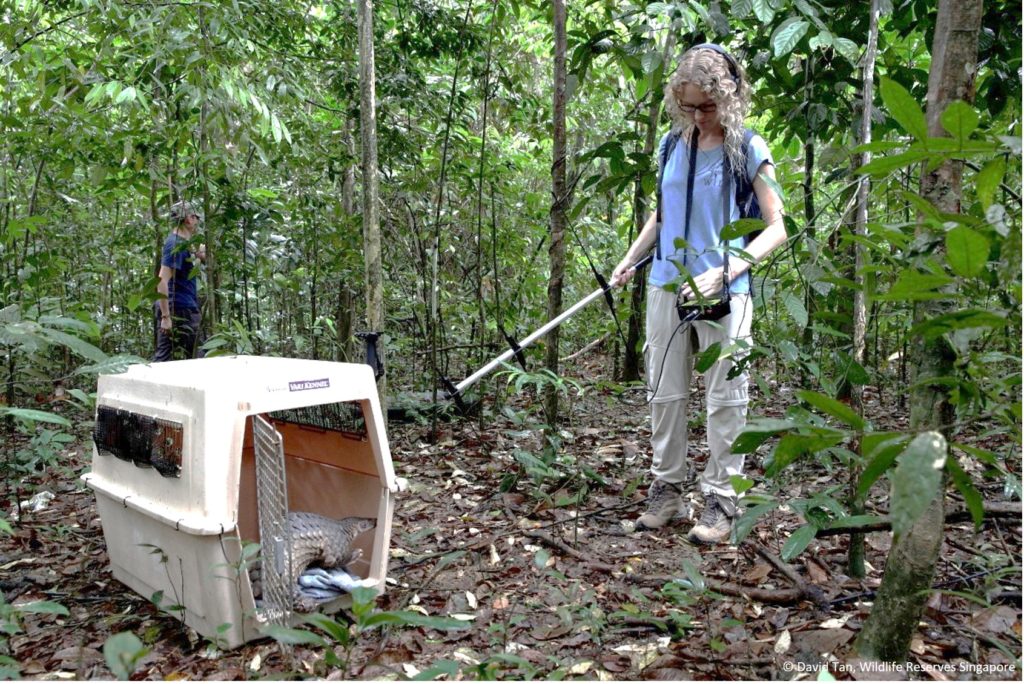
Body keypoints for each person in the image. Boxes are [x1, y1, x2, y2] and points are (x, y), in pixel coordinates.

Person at [611, 44, 788, 544]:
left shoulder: (748, 148)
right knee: (664, 392)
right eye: (687, 106)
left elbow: (778, 228)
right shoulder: (672, 144)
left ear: (728, 96)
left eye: (706, 106)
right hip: (668, 281)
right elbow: (663, 213)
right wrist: (630, 257)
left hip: (725, 287)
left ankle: (721, 500)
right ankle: (666, 490)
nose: (697, 115)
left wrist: (730, 269)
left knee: (725, 397)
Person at [153, 200, 206, 362]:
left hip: (181, 306)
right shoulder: (175, 244)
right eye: (195, 217)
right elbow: (162, 280)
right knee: (199, 357)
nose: (197, 221)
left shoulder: (183, 243)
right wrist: (166, 317)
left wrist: (198, 255)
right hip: (179, 308)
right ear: (188, 219)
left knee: (164, 357)